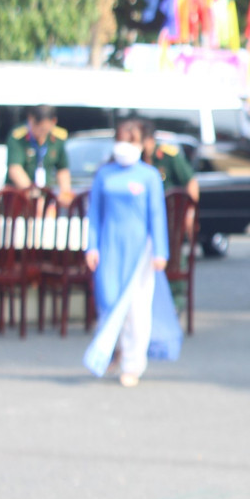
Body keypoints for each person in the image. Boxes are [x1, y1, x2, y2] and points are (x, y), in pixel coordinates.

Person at [81, 117, 181, 387]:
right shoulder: (104, 174)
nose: (125, 146)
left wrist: (161, 251)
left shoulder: (149, 176)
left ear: (142, 144)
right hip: (109, 247)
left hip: (140, 252)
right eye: (121, 140)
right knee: (109, 301)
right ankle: (115, 351)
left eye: (131, 141)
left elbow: (157, 215)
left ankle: (132, 364)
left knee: (137, 310)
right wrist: (91, 246)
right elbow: (94, 213)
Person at [6, 105, 72, 200]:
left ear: (53, 122)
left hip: (45, 196)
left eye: (44, 129)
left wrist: (65, 193)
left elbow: (62, 170)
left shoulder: (57, 138)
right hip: (20, 198)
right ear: (30, 119)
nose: (40, 132)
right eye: (36, 126)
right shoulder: (18, 137)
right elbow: (15, 170)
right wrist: (33, 194)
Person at [139, 119, 199, 201]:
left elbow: (190, 181)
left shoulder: (168, 155)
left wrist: (190, 206)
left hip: (168, 204)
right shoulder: (135, 159)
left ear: (151, 139)